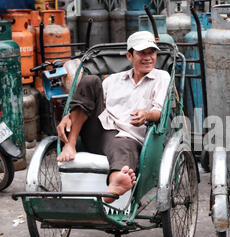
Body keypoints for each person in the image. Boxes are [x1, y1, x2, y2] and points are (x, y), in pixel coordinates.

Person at [57, 31, 170, 203]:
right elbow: (89, 104)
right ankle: (70, 144)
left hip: (127, 136)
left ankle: (116, 182)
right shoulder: (113, 80)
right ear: (129, 56)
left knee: (122, 145)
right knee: (90, 81)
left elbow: (161, 110)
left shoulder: (161, 77)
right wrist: (68, 117)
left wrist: (147, 114)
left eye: (151, 53)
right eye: (142, 53)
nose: (148, 58)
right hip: (98, 130)